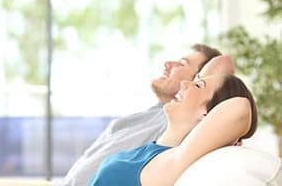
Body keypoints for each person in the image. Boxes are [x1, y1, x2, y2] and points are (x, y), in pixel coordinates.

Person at [56, 44, 230, 186]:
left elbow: (223, 65)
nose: (168, 64)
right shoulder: (145, 118)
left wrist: (198, 87)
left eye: (182, 63)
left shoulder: (180, 121)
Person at [88, 74, 258, 186]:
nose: (184, 83)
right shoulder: (152, 150)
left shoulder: (173, 161)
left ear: (206, 114)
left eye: (198, 85)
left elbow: (239, 107)